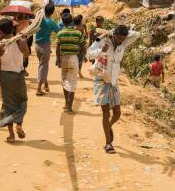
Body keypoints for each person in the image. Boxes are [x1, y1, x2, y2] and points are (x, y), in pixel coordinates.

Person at [87, 25, 140, 154]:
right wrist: (101, 51)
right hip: (101, 78)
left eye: (123, 38)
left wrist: (114, 32)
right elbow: (89, 54)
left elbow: (137, 34)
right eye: (118, 38)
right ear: (114, 36)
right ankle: (108, 143)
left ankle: (109, 126)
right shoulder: (102, 40)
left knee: (117, 113)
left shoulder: (123, 42)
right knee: (106, 111)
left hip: (114, 80)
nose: (120, 41)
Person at [0, 19, 29, 144]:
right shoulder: (21, 42)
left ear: (0, 31)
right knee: (21, 101)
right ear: (12, 29)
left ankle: (11, 135)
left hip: (6, 77)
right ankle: (19, 124)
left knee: (8, 104)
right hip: (18, 76)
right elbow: (27, 55)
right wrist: (22, 39)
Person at [56, 13, 84, 114]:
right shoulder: (78, 33)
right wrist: (82, 57)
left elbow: (57, 49)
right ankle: (69, 107)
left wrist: (58, 60)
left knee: (64, 81)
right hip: (73, 58)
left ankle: (66, 103)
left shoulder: (60, 33)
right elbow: (82, 46)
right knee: (72, 83)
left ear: (62, 22)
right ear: (72, 21)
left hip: (63, 58)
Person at [34, 3, 60, 96]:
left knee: (42, 65)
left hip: (37, 45)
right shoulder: (51, 22)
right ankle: (38, 89)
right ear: (52, 12)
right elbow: (59, 32)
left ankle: (46, 84)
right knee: (43, 66)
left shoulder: (39, 20)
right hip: (45, 46)